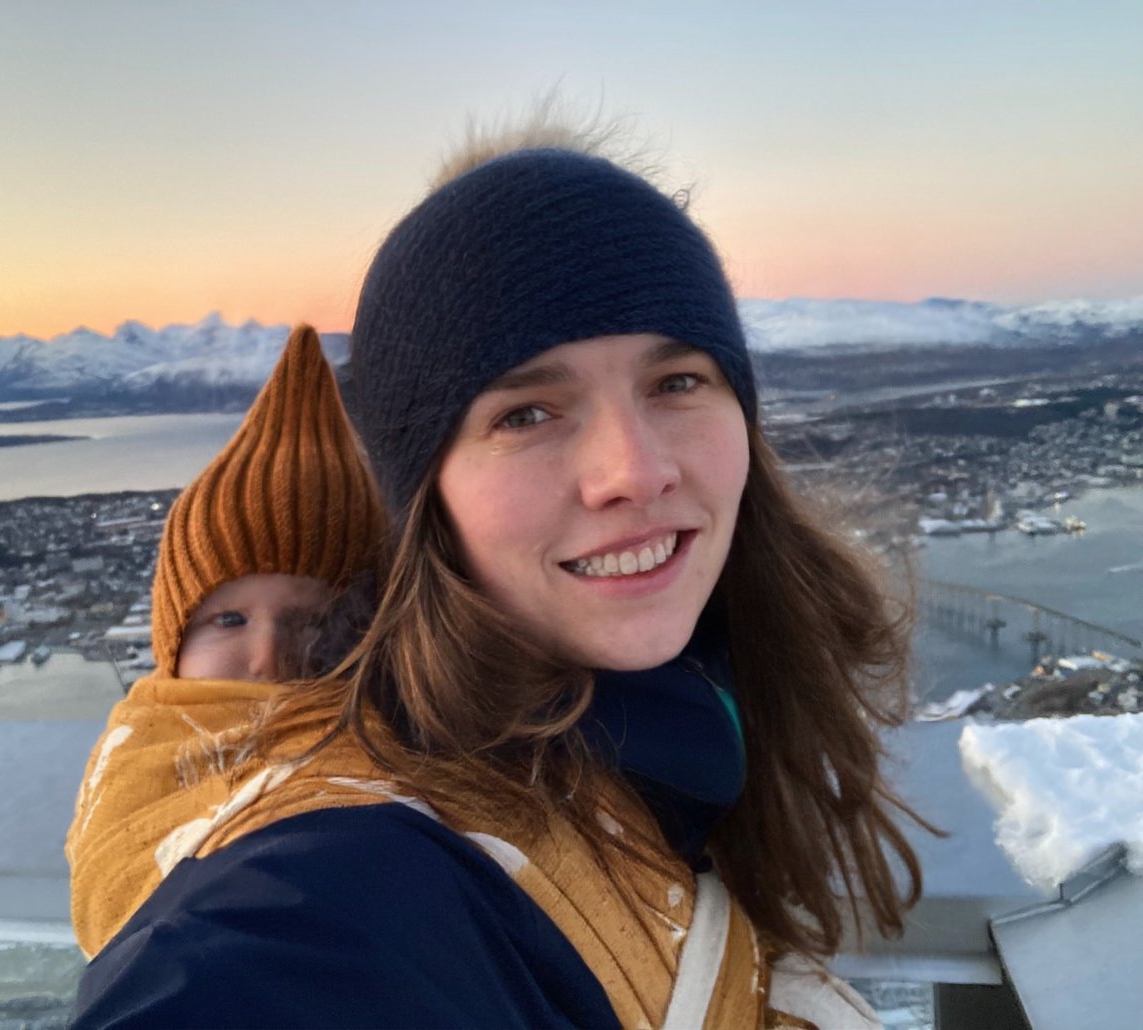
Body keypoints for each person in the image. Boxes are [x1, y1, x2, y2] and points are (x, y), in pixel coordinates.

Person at [69, 129, 927, 1028]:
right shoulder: (353, 871)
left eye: (676, 381)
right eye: (525, 411)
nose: (631, 470)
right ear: (424, 494)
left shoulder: (695, 736)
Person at [66, 323, 386, 958]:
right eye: (230, 620)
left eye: (314, 622)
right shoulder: (136, 762)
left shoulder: (401, 760)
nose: (267, 660)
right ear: (172, 638)